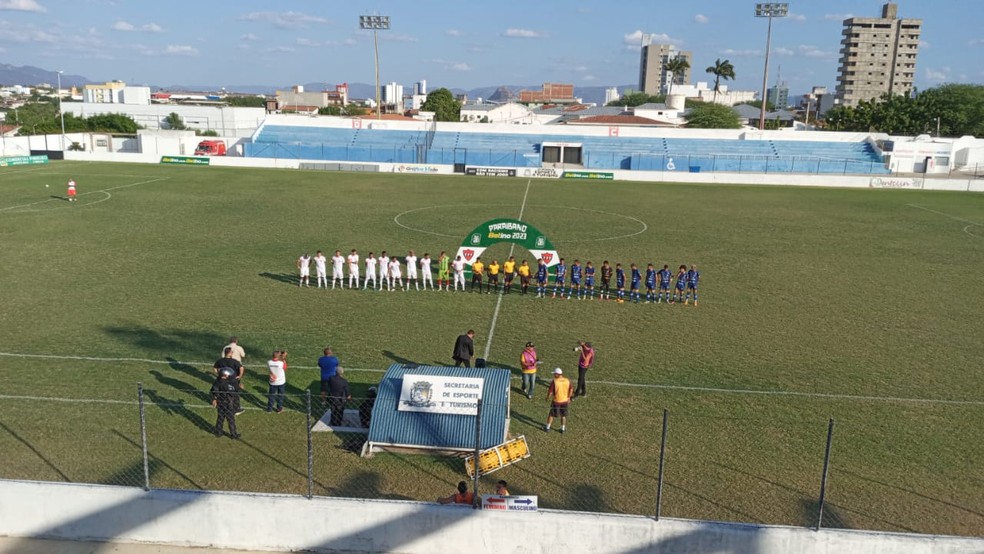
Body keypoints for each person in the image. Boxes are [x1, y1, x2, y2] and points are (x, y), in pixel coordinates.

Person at [213, 346, 245, 415]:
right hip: (233, 381)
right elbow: (241, 368)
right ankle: (236, 409)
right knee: (235, 394)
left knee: (222, 393)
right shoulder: (234, 361)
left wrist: (220, 375)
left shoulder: (220, 361)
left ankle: (220, 405)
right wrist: (240, 376)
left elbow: (215, 369)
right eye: (232, 352)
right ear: (230, 353)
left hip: (223, 380)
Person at [211, 367, 240, 439]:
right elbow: (233, 392)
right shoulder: (227, 384)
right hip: (227, 403)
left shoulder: (217, 382)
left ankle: (218, 432)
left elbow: (213, 391)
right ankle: (233, 434)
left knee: (220, 418)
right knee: (231, 419)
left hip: (220, 402)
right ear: (225, 375)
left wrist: (214, 399)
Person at [545, 368, 573, 433]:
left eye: (554, 374)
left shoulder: (555, 381)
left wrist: (547, 398)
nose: (554, 375)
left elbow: (550, 392)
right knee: (563, 415)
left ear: (557, 374)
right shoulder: (567, 380)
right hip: (565, 401)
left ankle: (547, 428)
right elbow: (571, 389)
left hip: (556, 401)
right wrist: (569, 398)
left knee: (551, 414)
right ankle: (563, 429)